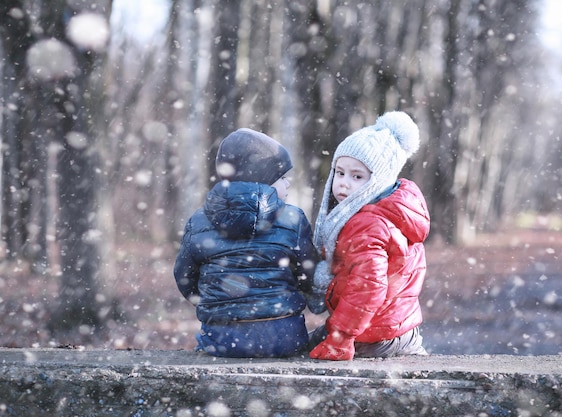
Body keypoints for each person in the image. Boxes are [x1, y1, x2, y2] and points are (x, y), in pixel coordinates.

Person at [173, 128, 319, 358]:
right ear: (263, 179)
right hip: (283, 335)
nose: (289, 183)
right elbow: (307, 274)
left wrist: (215, 304)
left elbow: (185, 277)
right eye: (282, 177)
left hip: (221, 339)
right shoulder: (293, 219)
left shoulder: (198, 220)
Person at [308, 111, 430, 361]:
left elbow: (368, 287)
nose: (343, 183)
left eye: (357, 176)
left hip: (377, 335)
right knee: (303, 342)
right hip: (393, 324)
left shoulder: (367, 224)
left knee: (298, 353)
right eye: (339, 173)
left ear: (379, 180)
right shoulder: (388, 209)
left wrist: (340, 339)